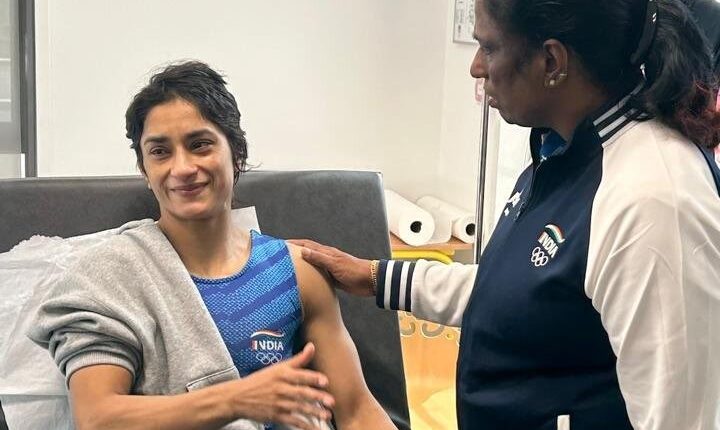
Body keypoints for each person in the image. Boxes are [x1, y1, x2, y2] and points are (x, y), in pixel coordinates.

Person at [292, 0, 720, 429]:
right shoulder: (565, 152)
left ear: (551, 60)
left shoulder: (653, 199)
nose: (476, 67)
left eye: (490, 48)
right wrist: (373, 277)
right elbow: (521, 291)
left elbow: (683, 419)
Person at [28, 61, 396, 430]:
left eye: (199, 144)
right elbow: (98, 419)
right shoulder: (108, 277)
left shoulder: (296, 271)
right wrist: (236, 398)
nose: (183, 167)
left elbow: (357, 411)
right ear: (144, 169)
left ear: (236, 154)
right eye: (160, 152)